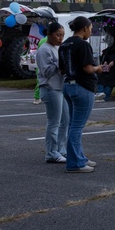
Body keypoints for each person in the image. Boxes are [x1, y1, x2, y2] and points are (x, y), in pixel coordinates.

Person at [59, 16, 112, 172]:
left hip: (68, 85)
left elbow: (62, 69)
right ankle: (75, 163)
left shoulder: (64, 44)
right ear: (84, 29)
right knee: (77, 126)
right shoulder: (83, 45)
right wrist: (99, 68)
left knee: (73, 125)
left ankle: (79, 157)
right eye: (90, 29)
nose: (90, 32)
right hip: (83, 86)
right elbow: (88, 69)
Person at [36, 22, 69, 163]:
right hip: (50, 88)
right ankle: (51, 152)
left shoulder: (57, 48)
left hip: (60, 88)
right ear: (49, 34)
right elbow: (45, 71)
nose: (60, 38)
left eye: (62, 35)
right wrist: (59, 64)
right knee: (54, 122)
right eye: (58, 35)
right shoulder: (45, 50)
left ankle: (61, 149)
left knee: (65, 121)